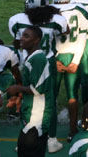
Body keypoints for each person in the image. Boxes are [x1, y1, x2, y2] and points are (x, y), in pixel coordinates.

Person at [8, 0, 69, 154]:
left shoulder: (17, 20)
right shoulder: (57, 20)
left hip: (27, 61)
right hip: (47, 61)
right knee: (49, 101)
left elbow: (17, 41)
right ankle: (51, 139)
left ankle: (27, 133)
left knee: (28, 98)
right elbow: (66, 31)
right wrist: (54, 13)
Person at [49, 0, 88, 143]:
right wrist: (76, 61)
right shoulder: (79, 10)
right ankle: (73, 130)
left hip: (56, 56)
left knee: (51, 96)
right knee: (73, 96)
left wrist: (54, 60)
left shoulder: (49, 11)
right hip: (73, 54)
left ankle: (50, 133)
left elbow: (46, 39)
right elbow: (82, 37)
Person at [6, 25, 53, 157]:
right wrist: (19, 96)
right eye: (22, 35)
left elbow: (38, 88)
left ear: (36, 40)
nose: (21, 38)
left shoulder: (38, 59)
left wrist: (17, 88)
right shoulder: (32, 57)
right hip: (32, 114)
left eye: (26, 36)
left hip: (37, 116)